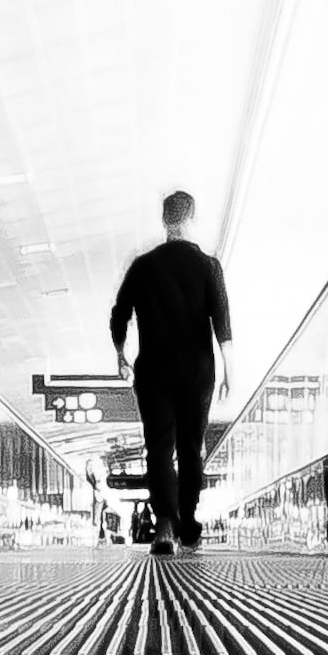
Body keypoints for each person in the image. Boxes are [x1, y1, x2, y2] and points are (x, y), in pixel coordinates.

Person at [107, 189, 228, 551]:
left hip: (155, 371)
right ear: (191, 219)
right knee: (191, 447)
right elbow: (222, 321)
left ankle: (164, 526)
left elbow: (120, 313)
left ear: (164, 221)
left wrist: (120, 353)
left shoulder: (143, 266)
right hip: (197, 371)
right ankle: (188, 521)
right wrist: (229, 369)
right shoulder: (208, 266)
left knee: (158, 447)